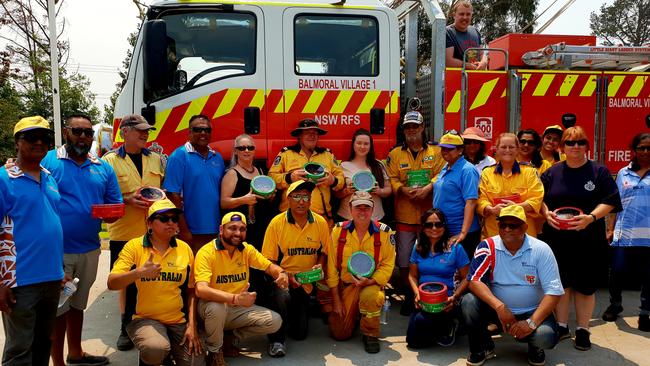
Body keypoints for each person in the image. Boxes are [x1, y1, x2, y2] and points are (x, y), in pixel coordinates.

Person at [42, 114, 122, 366]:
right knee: (58, 310)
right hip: (58, 251)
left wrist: (111, 212)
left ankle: (75, 354)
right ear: (66, 132)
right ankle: (58, 362)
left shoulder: (102, 167)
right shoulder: (49, 161)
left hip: (90, 249)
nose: (83, 137)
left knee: (77, 305)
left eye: (88, 133)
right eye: (77, 131)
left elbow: (115, 203)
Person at [540, 126, 622, 351]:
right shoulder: (552, 172)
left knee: (585, 287)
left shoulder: (599, 172)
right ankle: (563, 325)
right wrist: (546, 214)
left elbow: (612, 200)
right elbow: (539, 197)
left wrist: (592, 217)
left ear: (587, 145)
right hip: (557, 239)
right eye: (570, 143)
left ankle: (583, 329)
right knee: (562, 283)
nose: (575, 147)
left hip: (588, 239)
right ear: (562, 147)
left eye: (580, 142)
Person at [462, 205, 564, 366]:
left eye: (513, 225)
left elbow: (554, 292)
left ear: (525, 227)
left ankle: (535, 347)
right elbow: (474, 281)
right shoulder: (487, 246)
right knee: (468, 302)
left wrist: (531, 323)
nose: (507, 229)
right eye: (503, 225)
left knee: (545, 337)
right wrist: (500, 307)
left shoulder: (541, 249)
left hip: (532, 311)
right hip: (498, 310)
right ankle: (480, 348)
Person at [0, 116, 64, 366]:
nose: (39, 142)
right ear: (17, 142)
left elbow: (52, 226)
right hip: (19, 281)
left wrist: (60, 271)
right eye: (31, 137)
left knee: (43, 343)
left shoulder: (49, 177)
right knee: (19, 350)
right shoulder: (4, 179)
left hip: (51, 277)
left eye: (44, 138)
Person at [107, 199, 203, 366]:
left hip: (177, 320)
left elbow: (191, 291)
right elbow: (112, 283)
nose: (171, 223)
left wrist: (192, 325)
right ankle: (156, 356)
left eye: (174, 219)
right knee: (156, 349)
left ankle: (167, 352)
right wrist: (139, 272)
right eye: (164, 219)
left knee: (197, 361)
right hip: (142, 319)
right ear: (149, 223)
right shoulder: (134, 247)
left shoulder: (184, 249)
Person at [102, 114, 164, 351]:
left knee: (152, 280)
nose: (145, 134)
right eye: (139, 130)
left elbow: (163, 191)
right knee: (126, 283)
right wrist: (127, 200)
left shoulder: (156, 159)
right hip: (124, 233)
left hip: (153, 233)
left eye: (147, 130)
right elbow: (103, 198)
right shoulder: (108, 162)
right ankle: (126, 327)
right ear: (124, 131)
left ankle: (152, 324)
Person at [194, 212, 288, 366]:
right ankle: (214, 352)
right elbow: (201, 290)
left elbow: (269, 267)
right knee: (216, 308)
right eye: (232, 228)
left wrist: (281, 273)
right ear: (221, 229)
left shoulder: (246, 250)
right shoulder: (206, 252)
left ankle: (228, 337)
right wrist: (234, 298)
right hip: (211, 307)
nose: (237, 233)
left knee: (274, 321)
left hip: (237, 308)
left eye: (242, 229)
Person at [261, 180, 332, 357]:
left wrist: (320, 265)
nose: (301, 201)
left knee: (300, 334)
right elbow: (267, 261)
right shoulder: (276, 223)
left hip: (306, 283)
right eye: (297, 196)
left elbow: (325, 251)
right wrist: (285, 276)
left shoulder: (320, 222)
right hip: (283, 280)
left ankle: (290, 315)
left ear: (310, 200)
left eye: (305, 197)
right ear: (288, 199)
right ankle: (276, 340)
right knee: (282, 295)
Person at [386, 111, 445, 315]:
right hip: (405, 215)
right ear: (403, 130)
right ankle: (409, 295)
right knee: (403, 258)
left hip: (430, 217)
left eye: (415, 126)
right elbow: (392, 178)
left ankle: (429, 294)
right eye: (407, 127)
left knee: (429, 256)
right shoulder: (395, 154)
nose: (411, 130)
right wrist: (402, 190)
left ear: (422, 128)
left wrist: (428, 188)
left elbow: (441, 175)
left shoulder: (437, 151)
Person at [327, 191, 396, 354]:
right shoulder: (338, 230)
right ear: (350, 209)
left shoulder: (385, 232)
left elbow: (387, 265)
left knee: (370, 297)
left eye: (367, 207)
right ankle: (356, 315)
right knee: (340, 334)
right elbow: (331, 267)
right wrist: (336, 300)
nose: (362, 211)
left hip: (370, 285)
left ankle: (370, 333)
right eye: (358, 207)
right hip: (347, 286)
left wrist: (370, 282)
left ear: (373, 210)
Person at [602, 132, 650, 331]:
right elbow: (615, 204)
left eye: (649, 148)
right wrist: (610, 228)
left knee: (648, 276)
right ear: (634, 149)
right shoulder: (623, 172)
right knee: (617, 271)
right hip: (625, 232)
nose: (645, 152)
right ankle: (615, 305)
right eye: (641, 148)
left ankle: (645, 313)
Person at [406, 209, 470, 349]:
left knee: (423, 323)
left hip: (448, 299)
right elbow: (412, 275)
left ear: (444, 226)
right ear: (423, 227)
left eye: (438, 224)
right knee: (413, 342)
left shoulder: (455, 248)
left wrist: (455, 297)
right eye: (429, 225)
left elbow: (467, 278)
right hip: (425, 297)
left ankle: (451, 324)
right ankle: (440, 329)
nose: (434, 228)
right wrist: (417, 294)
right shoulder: (418, 247)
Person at [221, 134, 275, 295]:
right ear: (235, 151)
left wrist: (271, 196)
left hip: (261, 228)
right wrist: (244, 200)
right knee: (245, 268)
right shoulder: (232, 174)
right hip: (242, 231)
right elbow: (224, 202)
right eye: (242, 148)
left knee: (261, 266)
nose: (246, 150)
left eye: (250, 147)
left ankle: (261, 300)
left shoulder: (260, 170)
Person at [164, 114, 225, 253]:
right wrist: (183, 230)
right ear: (189, 132)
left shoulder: (217, 158)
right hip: (191, 232)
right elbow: (172, 195)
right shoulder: (179, 156)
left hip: (216, 229)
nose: (203, 133)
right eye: (198, 129)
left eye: (207, 130)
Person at [268, 119, 345, 225]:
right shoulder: (286, 154)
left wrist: (333, 180)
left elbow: (341, 179)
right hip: (290, 218)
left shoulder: (328, 155)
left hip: (321, 219)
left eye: (315, 133)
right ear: (299, 135)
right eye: (307, 133)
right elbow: (271, 178)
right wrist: (290, 178)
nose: (312, 135)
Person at [477, 133, 544, 238]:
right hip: (493, 233)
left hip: (523, 234)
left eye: (511, 147)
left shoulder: (530, 172)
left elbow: (536, 198)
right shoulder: (487, 173)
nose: (507, 150)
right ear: (497, 149)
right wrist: (490, 209)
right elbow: (481, 199)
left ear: (517, 149)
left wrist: (516, 208)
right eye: (503, 147)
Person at [432, 130, 481, 258]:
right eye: (443, 148)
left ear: (460, 150)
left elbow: (471, 202)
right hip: (444, 230)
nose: (445, 152)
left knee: (463, 272)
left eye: (450, 149)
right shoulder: (446, 167)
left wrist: (463, 233)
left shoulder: (467, 170)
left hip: (461, 233)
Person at [336, 128, 391, 221]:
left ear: (370, 146)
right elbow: (336, 194)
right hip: (348, 217)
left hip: (374, 217)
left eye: (366, 144)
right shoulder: (343, 166)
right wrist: (346, 191)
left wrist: (380, 191)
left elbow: (389, 189)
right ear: (353, 144)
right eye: (359, 143)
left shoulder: (378, 165)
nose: (362, 146)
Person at [445, 0, 488, 70]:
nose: (465, 17)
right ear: (454, 15)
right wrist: (469, 66)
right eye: (461, 14)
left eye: (468, 14)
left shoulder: (475, 31)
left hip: (477, 77)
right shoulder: (448, 32)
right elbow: (448, 61)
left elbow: (482, 53)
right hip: (456, 78)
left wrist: (484, 62)